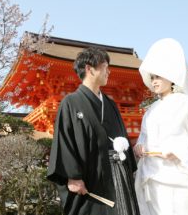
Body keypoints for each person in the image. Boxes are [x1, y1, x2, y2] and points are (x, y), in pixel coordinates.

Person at [133, 38, 188, 215]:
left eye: (158, 76)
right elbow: (144, 138)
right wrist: (138, 147)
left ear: (171, 76)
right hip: (153, 178)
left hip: (179, 179)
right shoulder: (150, 111)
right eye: (152, 77)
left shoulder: (186, 104)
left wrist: (179, 151)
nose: (154, 81)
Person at [47, 47, 140, 215]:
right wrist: (73, 176)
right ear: (89, 69)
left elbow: (122, 137)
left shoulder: (110, 104)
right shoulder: (71, 102)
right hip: (90, 178)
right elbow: (65, 141)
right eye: (105, 67)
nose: (109, 72)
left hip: (117, 174)